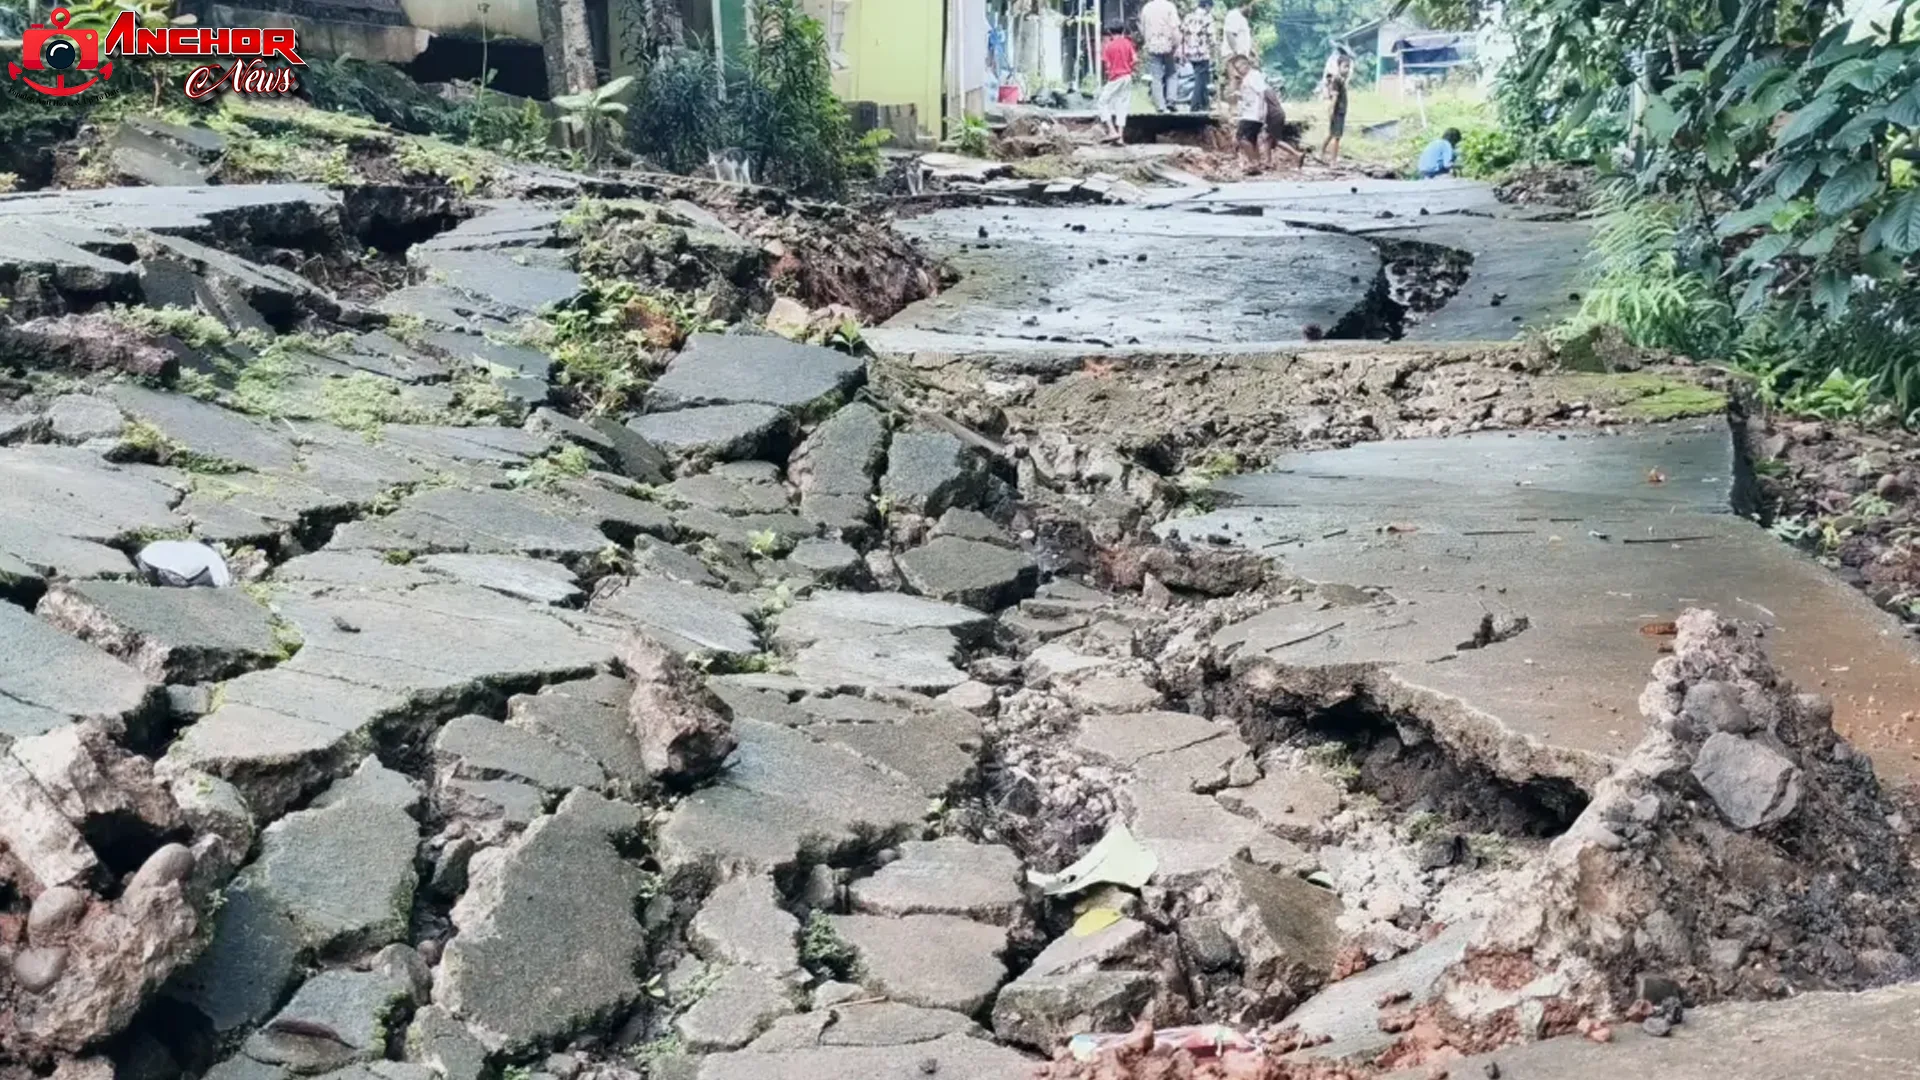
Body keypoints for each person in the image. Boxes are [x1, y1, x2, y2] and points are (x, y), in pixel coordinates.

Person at [1097, 20, 1137, 143]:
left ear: (1110, 32)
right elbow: (1135, 59)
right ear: (1123, 31)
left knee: (1102, 102)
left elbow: (1107, 65)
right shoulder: (1128, 43)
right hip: (1127, 77)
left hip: (1116, 78)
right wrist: (1129, 67)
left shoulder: (1109, 46)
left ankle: (1112, 131)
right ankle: (1120, 137)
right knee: (1122, 105)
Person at [1139, 0, 1181, 112]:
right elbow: (1174, 29)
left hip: (1152, 46)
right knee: (1171, 73)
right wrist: (1176, 45)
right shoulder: (1169, 7)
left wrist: (1148, 41)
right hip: (1168, 46)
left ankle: (1160, 105)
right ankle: (1171, 100)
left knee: (1156, 77)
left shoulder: (1146, 8)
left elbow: (1143, 29)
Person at [1231, 55, 1270, 171]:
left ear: (1246, 64)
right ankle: (1256, 162)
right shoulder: (1247, 77)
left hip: (1253, 114)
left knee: (1242, 138)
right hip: (1248, 112)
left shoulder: (1254, 76)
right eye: (1236, 68)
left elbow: (1262, 93)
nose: (1239, 70)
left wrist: (1261, 111)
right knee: (1252, 139)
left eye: (1239, 67)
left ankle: (1253, 162)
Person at [1182, 0, 1218, 113]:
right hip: (1202, 53)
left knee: (1202, 77)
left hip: (1190, 52)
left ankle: (1205, 104)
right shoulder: (1207, 18)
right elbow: (1212, 38)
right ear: (1207, 6)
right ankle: (1195, 105)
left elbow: (1182, 32)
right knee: (1200, 79)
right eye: (1210, 7)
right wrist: (1215, 48)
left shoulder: (1188, 17)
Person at [1320, 49, 1351, 164]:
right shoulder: (1336, 80)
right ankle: (1333, 161)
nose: (1347, 69)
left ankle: (1321, 152)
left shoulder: (1341, 80)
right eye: (1345, 66)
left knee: (1331, 134)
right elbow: (1334, 98)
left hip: (1340, 111)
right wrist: (1331, 111)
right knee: (1337, 137)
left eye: (1348, 67)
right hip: (1337, 112)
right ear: (1339, 66)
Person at [1222, 1, 1256, 106]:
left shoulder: (1242, 18)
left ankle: (1239, 108)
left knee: (1241, 81)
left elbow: (1243, 38)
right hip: (1234, 55)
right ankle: (1233, 108)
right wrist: (1237, 54)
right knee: (1235, 80)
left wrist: (1251, 51)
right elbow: (1229, 34)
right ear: (1244, 4)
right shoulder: (1234, 15)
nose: (1251, 10)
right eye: (1250, 6)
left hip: (1241, 56)